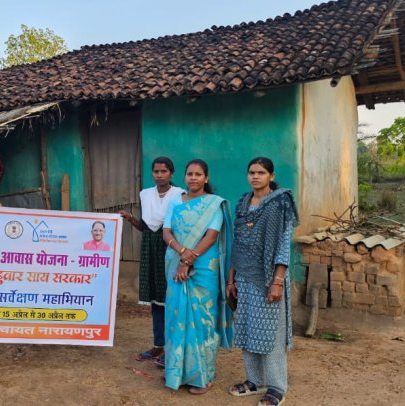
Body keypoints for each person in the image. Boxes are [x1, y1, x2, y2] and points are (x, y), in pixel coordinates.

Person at [227, 157, 298, 406]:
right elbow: (238, 244)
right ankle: (254, 380)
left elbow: (283, 244)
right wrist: (231, 280)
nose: (255, 176)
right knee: (247, 330)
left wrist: (277, 281)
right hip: (244, 278)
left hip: (269, 279)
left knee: (272, 334)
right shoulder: (243, 203)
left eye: (261, 172)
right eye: (251, 172)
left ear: (271, 175)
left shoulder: (280, 203)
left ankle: (277, 387)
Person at [161, 159, 233, 395]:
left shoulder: (214, 204)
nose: (193, 178)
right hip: (176, 262)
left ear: (206, 178)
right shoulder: (175, 201)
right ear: (184, 177)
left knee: (203, 319)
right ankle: (177, 373)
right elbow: (166, 232)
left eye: (198, 174)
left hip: (204, 267)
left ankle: (203, 377)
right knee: (176, 316)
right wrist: (181, 252)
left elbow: (211, 236)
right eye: (190, 174)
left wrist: (187, 261)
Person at [119, 157, 184, 367]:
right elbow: (146, 227)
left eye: (164, 171)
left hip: (170, 248)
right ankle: (158, 345)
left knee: (171, 298)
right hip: (150, 249)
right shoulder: (145, 194)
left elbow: (181, 226)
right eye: (156, 171)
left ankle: (172, 347)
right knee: (156, 300)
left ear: (171, 173)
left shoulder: (179, 194)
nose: (159, 175)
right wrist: (130, 218)